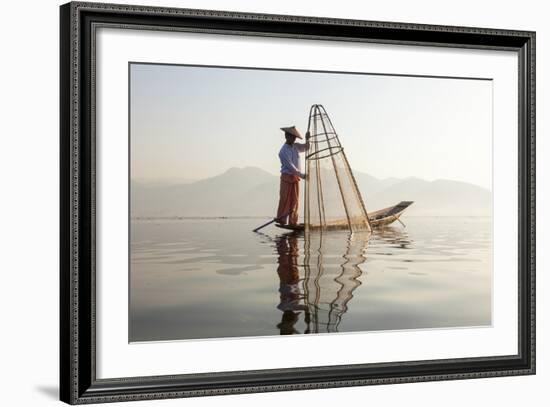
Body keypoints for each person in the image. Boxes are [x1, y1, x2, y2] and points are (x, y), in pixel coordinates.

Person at [276, 126, 310, 226]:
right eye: (292, 136)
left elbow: (306, 147)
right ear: (286, 136)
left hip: (295, 177)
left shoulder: (295, 146)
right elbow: (291, 167)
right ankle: (281, 219)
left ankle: (293, 221)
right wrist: (303, 176)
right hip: (286, 177)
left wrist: (308, 139)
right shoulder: (283, 151)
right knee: (285, 199)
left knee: (294, 200)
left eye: (294, 137)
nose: (294, 138)